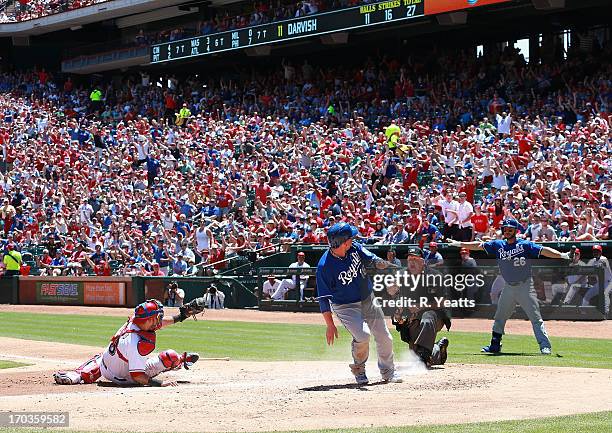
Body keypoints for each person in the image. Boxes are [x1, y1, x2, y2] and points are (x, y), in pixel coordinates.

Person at [448, 219, 571, 355]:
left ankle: (544, 345)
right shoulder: (498, 244)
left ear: (516, 230)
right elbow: (478, 245)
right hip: (508, 286)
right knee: (500, 316)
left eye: (510, 229)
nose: (507, 231)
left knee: (535, 317)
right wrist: (460, 244)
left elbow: (543, 250)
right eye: (505, 229)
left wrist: (561, 255)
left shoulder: (524, 244)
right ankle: (495, 345)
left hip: (525, 285)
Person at [316, 222, 402, 385]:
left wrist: (387, 266)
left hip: (367, 298)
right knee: (363, 336)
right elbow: (323, 299)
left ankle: (388, 372)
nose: (353, 239)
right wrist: (330, 324)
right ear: (343, 241)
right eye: (350, 237)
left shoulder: (354, 248)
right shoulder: (324, 267)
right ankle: (359, 368)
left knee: (384, 336)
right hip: (345, 306)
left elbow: (372, 259)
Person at [54, 299, 199, 386]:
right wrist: (161, 383)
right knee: (170, 357)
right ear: (148, 320)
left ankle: (78, 375)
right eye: (157, 317)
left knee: (103, 357)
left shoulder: (135, 320)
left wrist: (182, 315)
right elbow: (137, 376)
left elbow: (159, 323)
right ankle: (179, 361)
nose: (160, 319)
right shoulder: (136, 342)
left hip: (105, 363)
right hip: (125, 378)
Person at [391, 247, 450, 367]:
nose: (411, 262)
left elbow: (443, 302)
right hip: (413, 318)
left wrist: (422, 306)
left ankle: (423, 356)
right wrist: (398, 313)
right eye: (409, 259)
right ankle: (437, 349)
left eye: (415, 259)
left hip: (435, 316)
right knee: (415, 355)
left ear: (422, 261)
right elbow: (396, 297)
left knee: (428, 316)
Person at [581, 245, 611, 315]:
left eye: (597, 251)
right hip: (599, 283)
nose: (595, 252)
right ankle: (583, 312)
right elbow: (585, 269)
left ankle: (606, 312)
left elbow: (603, 264)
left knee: (605, 294)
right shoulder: (592, 260)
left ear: (600, 252)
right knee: (587, 295)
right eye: (594, 251)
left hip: (609, 283)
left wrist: (597, 266)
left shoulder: (604, 258)